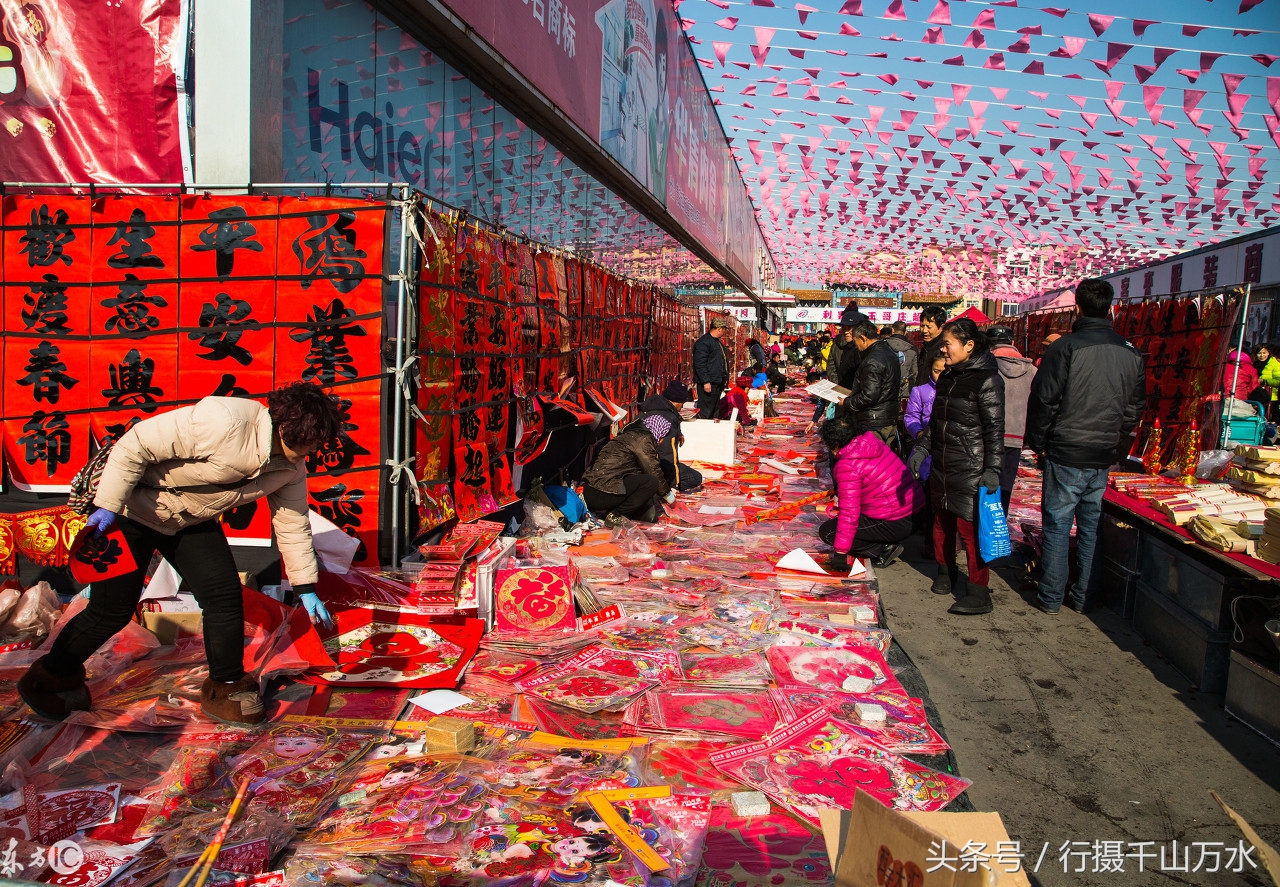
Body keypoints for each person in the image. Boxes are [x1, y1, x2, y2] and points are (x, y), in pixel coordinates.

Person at [18, 384, 344, 726]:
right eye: (312, 441)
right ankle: (50, 678)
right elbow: (136, 445)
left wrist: (305, 585)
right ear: (290, 429)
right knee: (110, 611)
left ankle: (227, 686)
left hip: (189, 518)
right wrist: (108, 505)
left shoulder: (292, 468)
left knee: (224, 596)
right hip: (132, 509)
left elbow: (292, 522)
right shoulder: (224, 420)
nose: (315, 449)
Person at [1025, 278, 1145, 616]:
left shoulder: (1065, 348)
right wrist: (1117, 446)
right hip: (1102, 452)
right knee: (1091, 526)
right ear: (1110, 308)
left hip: (1067, 449)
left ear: (1077, 307)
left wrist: (1040, 442)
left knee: (1059, 524)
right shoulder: (1129, 351)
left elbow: (1044, 400)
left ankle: (1051, 597)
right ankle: (1082, 597)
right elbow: (1134, 409)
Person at [908, 318, 1005, 616]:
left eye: (948, 344)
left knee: (971, 530)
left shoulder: (988, 379)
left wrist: (993, 468)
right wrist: (922, 450)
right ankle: (944, 571)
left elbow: (994, 429)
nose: (944, 350)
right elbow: (937, 423)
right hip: (943, 462)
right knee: (941, 522)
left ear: (969, 345)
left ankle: (979, 591)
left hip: (971, 465)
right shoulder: (948, 377)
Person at [819, 414, 924, 570]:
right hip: (916, 512)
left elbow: (849, 513)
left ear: (835, 444)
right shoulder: (871, 443)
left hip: (895, 521)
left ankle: (882, 549)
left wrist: (840, 553)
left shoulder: (848, 465)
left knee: (828, 532)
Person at [582, 414, 674, 523]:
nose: (662, 441)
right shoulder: (643, 439)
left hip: (590, 491)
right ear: (659, 432)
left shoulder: (627, 436)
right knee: (651, 482)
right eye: (663, 436)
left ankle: (615, 512)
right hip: (603, 494)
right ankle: (616, 514)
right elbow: (653, 470)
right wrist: (667, 495)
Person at [988, 325, 1037, 516]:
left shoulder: (986, 366)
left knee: (986, 486)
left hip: (990, 434)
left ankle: (984, 531)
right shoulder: (1032, 370)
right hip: (1017, 434)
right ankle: (1000, 525)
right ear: (1014, 343)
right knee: (1006, 485)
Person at [841, 321, 902, 448]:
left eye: (856, 341)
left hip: (875, 420)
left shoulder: (872, 360)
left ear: (863, 338)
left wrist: (846, 402)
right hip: (887, 416)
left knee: (872, 460)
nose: (856, 345)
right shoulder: (888, 352)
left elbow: (869, 396)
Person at [636, 380, 702, 492]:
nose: (682, 408)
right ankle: (660, 487)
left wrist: (678, 433)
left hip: (640, 464)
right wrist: (672, 487)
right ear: (676, 402)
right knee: (695, 477)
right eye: (682, 404)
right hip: (653, 466)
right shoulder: (669, 418)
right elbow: (667, 453)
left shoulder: (648, 410)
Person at [904, 353, 946, 482]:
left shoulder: (957, 391)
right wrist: (918, 432)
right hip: (925, 444)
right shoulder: (920, 391)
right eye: (936, 371)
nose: (940, 375)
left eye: (944, 371)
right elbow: (911, 416)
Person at [692, 318, 730, 419]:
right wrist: (705, 381)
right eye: (723, 329)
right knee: (706, 411)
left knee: (714, 411)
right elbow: (700, 364)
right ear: (719, 329)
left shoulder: (716, 342)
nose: (724, 331)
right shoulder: (704, 343)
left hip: (716, 382)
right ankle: (704, 432)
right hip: (709, 383)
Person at [828, 303, 868, 388]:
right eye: (844, 328)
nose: (846, 332)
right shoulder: (837, 345)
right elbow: (831, 367)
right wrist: (839, 387)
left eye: (849, 328)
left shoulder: (864, 347)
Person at [885, 321, 919, 401]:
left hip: (886, 391)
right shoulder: (912, 348)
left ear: (893, 330)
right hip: (906, 391)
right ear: (905, 332)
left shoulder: (883, 346)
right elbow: (915, 373)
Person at [915, 306, 948, 386]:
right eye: (922, 326)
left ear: (941, 327)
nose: (925, 331)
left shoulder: (944, 349)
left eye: (929, 327)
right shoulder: (925, 347)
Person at [1255, 343, 1280, 420]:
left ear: (1268, 353)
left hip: (1271, 398)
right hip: (1257, 396)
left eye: (1264, 353)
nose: (1262, 355)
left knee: (1267, 420)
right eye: (1259, 353)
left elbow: (1278, 381)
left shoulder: (1275, 364)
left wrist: (1265, 381)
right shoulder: (1255, 364)